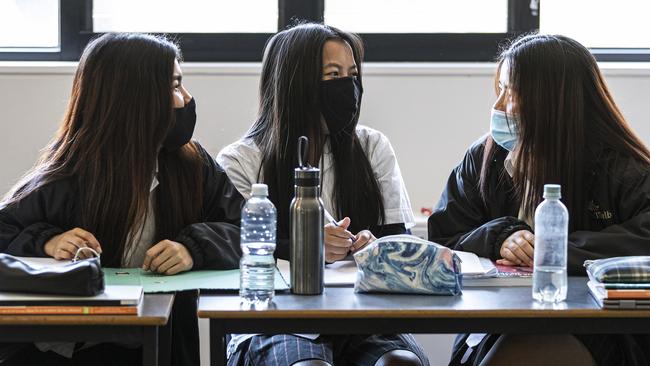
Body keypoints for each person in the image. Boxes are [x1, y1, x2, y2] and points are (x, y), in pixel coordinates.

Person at [0, 33, 244, 366]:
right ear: (136, 99)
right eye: (174, 86)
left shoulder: (193, 166)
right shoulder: (68, 174)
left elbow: (248, 229)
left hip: (157, 346)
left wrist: (193, 249)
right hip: (65, 351)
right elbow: (4, 232)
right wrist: (48, 242)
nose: (187, 98)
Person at [428, 34, 650, 366]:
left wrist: (551, 248)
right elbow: (443, 238)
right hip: (495, 325)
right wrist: (501, 237)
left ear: (551, 101)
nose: (498, 105)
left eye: (511, 92)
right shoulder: (482, 159)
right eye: (498, 90)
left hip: (598, 330)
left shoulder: (620, 168)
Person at [217, 23, 428, 366]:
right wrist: (305, 249)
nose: (348, 87)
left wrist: (370, 244)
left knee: (401, 363)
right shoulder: (241, 161)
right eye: (333, 75)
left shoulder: (372, 147)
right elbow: (232, 252)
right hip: (276, 320)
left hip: (364, 317)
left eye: (353, 74)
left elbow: (397, 241)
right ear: (295, 83)